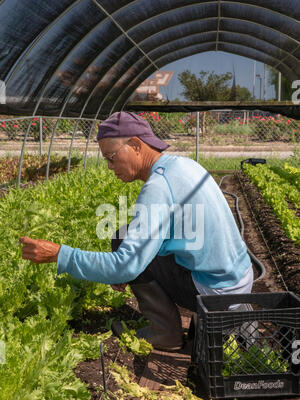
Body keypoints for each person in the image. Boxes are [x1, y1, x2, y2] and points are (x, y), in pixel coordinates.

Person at [19, 111, 254, 352]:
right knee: (127, 236)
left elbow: (124, 266)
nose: (110, 167)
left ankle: (166, 334)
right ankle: (189, 323)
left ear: (135, 145)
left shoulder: (158, 187)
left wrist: (60, 254)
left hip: (215, 293)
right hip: (239, 279)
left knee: (123, 243)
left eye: (111, 158)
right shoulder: (183, 165)